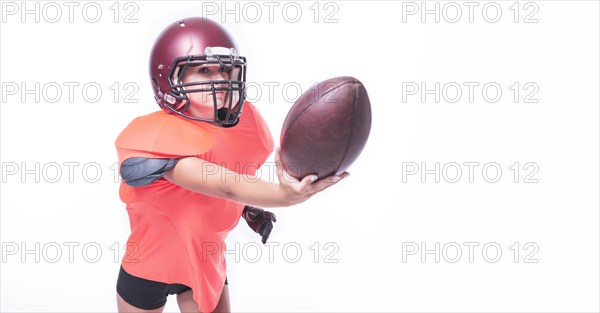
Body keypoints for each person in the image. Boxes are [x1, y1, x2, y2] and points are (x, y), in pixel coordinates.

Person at [114, 17, 348, 313]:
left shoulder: (244, 125)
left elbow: (234, 176)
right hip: (148, 268)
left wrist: (246, 209)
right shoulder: (156, 135)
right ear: (171, 80)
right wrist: (284, 195)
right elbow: (220, 182)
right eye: (204, 70)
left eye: (225, 69)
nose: (221, 79)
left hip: (205, 259)